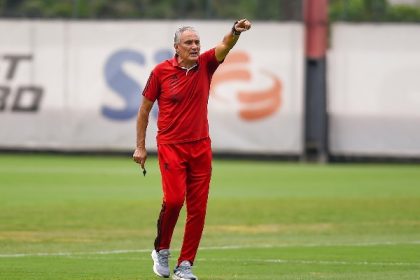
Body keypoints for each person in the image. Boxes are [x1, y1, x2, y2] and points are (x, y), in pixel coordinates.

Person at [133, 19, 251, 280]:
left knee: (198, 209)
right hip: (171, 147)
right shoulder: (160, 72)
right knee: (174, 200)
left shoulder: (207, 64)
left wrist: (235, 31)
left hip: (200, 147)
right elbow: (143, 111)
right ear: (177, 47)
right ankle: (161, 249)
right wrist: (140, 147)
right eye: (189, 42)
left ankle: (185, 265)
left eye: (197, 42)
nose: (195, 46)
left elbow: (225, 45)